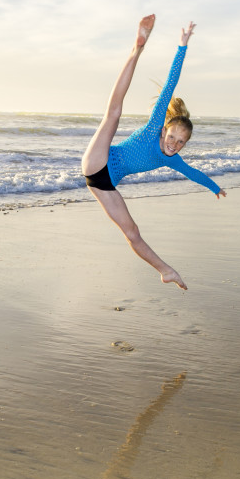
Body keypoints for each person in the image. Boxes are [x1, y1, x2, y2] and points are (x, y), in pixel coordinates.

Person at [81, 15, 225, 291]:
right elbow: (171, 83)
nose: (174, 144)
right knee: (113, 114)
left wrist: (214, 187)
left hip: (103, 184)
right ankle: (137, 49)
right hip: (98, 160)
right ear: (164, 131)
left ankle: (166, 271)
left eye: (181, 142)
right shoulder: (153, 129)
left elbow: (193, 173)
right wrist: (182, 46)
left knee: (132, 232)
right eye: (172, 137)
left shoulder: (170, 158)